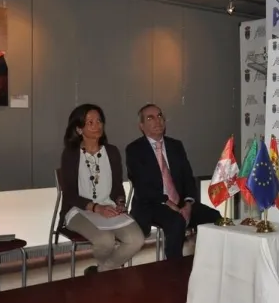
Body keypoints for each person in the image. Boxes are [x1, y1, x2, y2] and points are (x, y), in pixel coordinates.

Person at [126, 103, 222, 260]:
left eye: (160, 116)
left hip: (180, 202)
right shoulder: (135, 150)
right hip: (152, 203)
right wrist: (169, 203)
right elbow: (142, 187)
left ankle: (207, 261)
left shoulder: (175, 145)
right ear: (141, 126)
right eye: (150, 118)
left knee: (214, 216)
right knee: (176, 221)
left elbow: (188, 177)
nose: (157, 121)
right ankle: (173, 267)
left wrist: (188, 203)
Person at [59, 103, 145, 275]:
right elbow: (69, 193)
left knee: (137, 239)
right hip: (79, 210)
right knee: (105, 240)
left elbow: (117, 186)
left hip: (109, 207)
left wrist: (120, 203)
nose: (97, 125)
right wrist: (96, 208)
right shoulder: (71, 154)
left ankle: (101, 272)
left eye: (99, 121)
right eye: (90, 122)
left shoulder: (111, 152)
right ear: (79, 129)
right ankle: (106, 276)